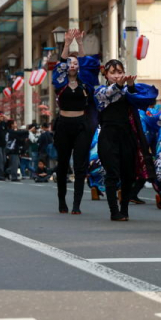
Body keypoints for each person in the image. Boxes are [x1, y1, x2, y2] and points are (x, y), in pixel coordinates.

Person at [94, 59, 158, 221]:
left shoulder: (130, 92)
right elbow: (108, 95)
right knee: (112, 174)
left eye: (120, 72)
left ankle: (124, 209)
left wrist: (130, 86)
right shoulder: (100, 91)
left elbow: (145, 98)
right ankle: (114, 211)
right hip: (108, 136)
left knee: (128, 174)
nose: (117, 75)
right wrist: (121, 86)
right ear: (106, 75)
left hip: (128, 135)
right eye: (113, 72)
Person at [47, 28, 101, 214]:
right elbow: (59, 66)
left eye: (75, 62)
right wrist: (67, 45)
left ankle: (77, 204)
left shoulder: (85, 82)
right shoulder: (60, 82)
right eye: (69, 62)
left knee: (80, 165)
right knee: (62, 165)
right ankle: (62, 202)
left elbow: (88, 64)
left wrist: (81, 44)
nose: (72, 65)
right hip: (63, 125)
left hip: (81, 126)